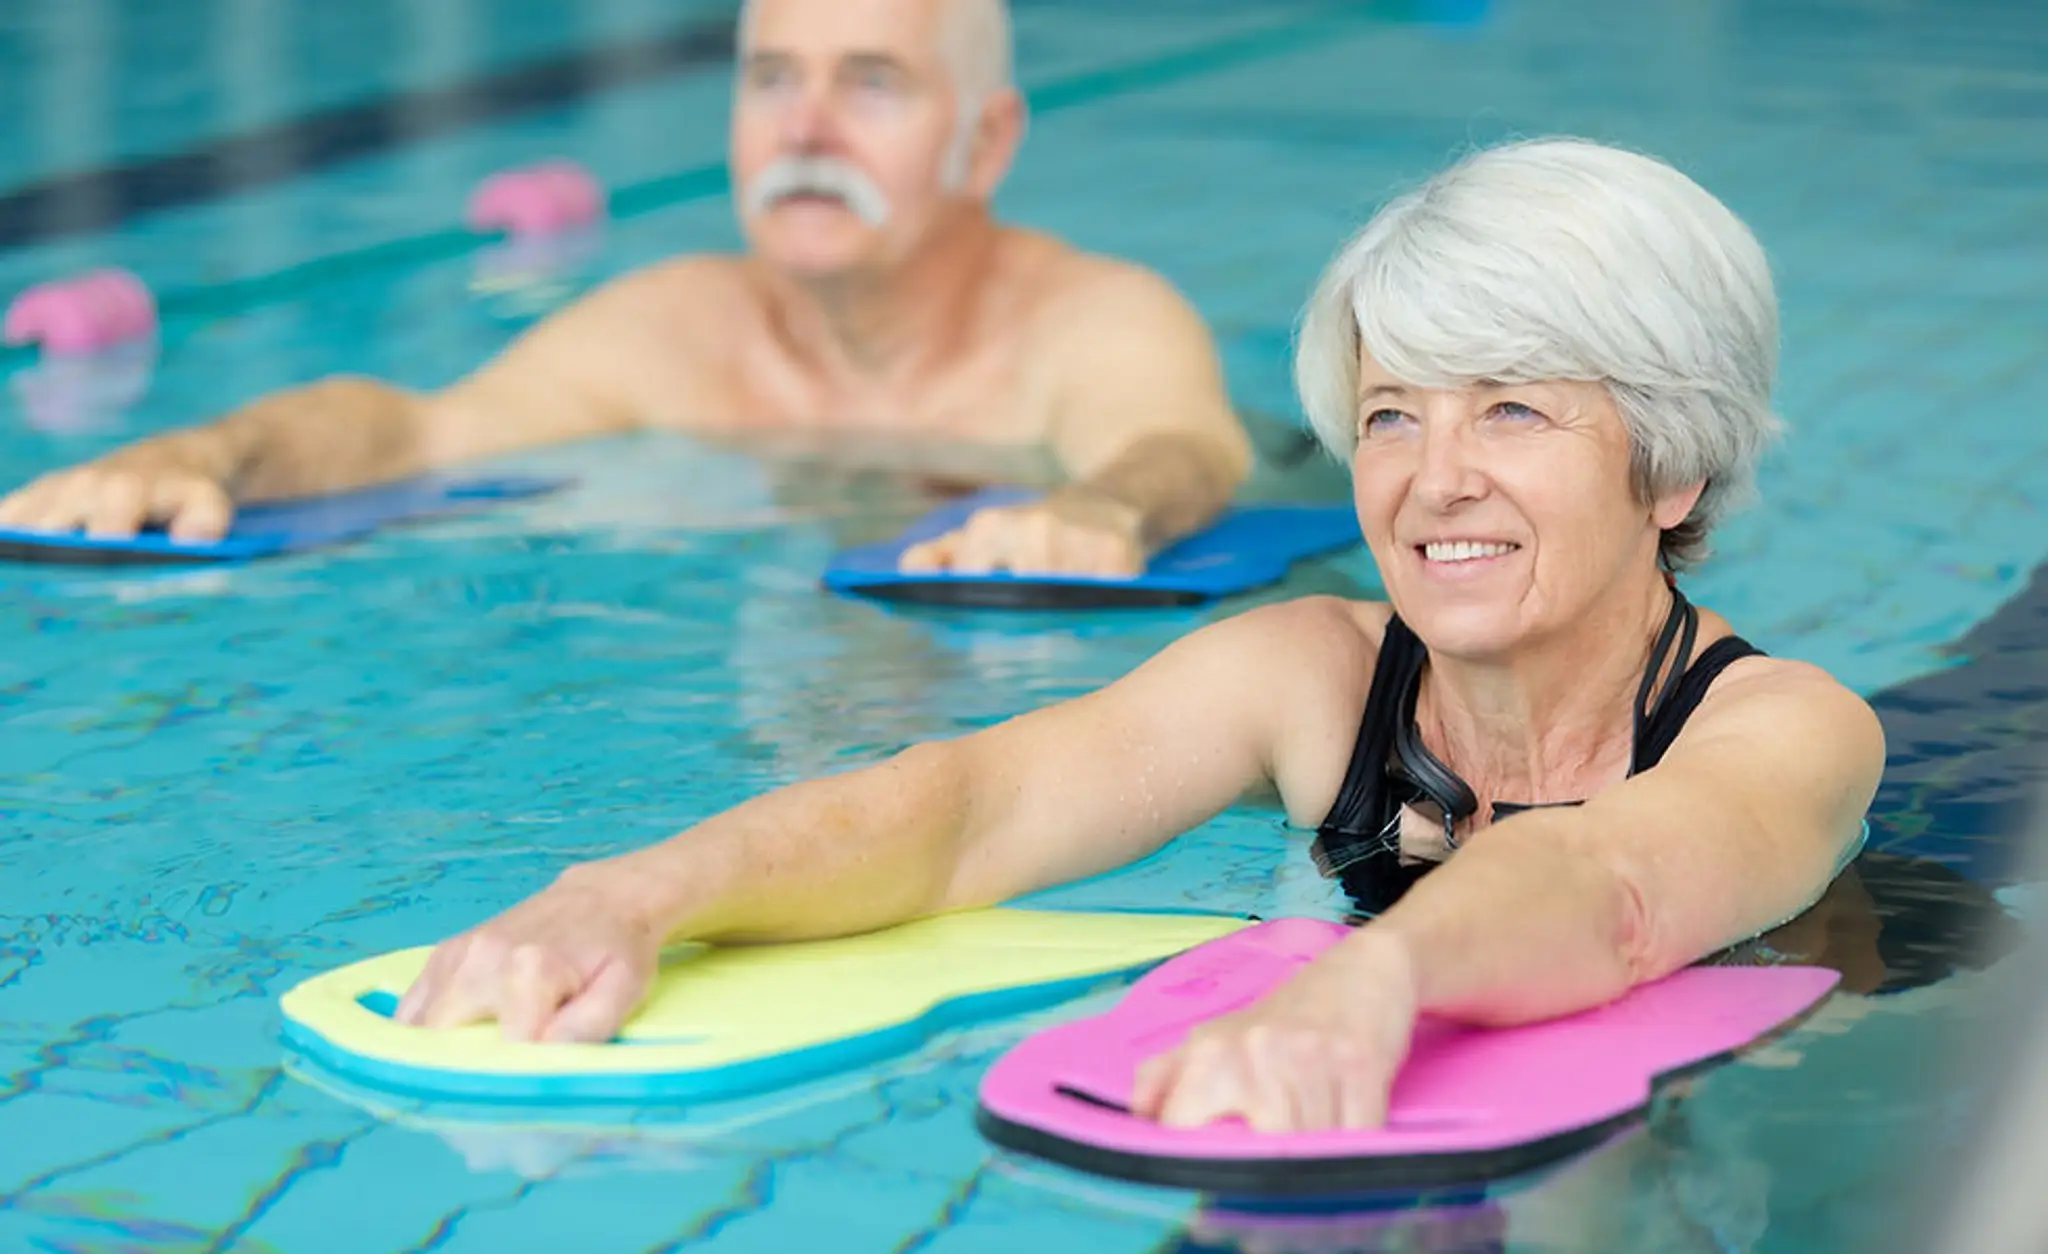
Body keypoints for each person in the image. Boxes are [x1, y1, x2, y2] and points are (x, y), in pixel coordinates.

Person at [390, 136, 1886, 1133]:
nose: (1434, 480)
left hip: (1752, 1118)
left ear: (1674, 462)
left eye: (1511, 406)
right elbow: (968, 809)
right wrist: (634, 893)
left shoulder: (1787, 731)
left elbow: (1611, 886)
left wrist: (1364, 977)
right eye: (1388, 416)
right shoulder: (1315, 679)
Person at [0, 0, 1252, 578]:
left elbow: (1179, 452)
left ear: (985, 144)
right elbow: (418, 429)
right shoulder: (677, 326)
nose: (804, 129)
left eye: (869, 82)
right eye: (770, 78)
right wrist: (204, 452)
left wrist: (1102, 511)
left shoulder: (1092, 319)